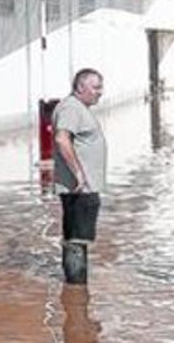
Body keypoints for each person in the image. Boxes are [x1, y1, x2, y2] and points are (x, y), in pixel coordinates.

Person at [53, 68, 107, 285]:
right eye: (96, 87)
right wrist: (79, 174)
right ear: (80, 87)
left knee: (79, 239)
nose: (100, 92)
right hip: (78, 188)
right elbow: (61, 139)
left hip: (84, 187)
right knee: (77, 240)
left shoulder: (78, 108)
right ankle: (77, 292)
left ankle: (77, 294)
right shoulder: (71, 108)